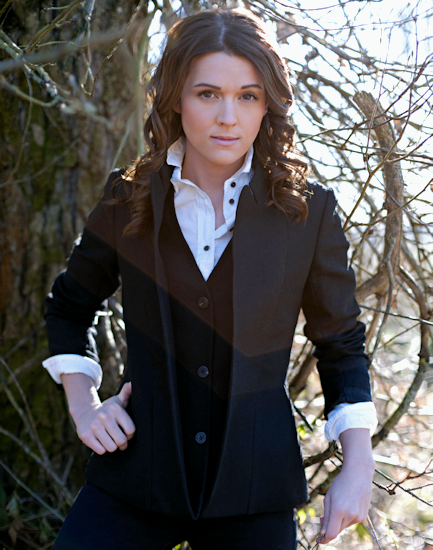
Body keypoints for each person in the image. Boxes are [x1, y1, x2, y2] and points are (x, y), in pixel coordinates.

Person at [43, 8, 377, 550]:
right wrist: (85, 407)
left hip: (254, 489)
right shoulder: (127, 197)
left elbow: (340, 344)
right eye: (207, 94)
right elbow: (68, 306)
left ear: (267, 104)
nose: (228, 117)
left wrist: (358, 466)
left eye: (247, 96)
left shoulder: (307, 212)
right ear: (176, 97)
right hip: (135, 476)